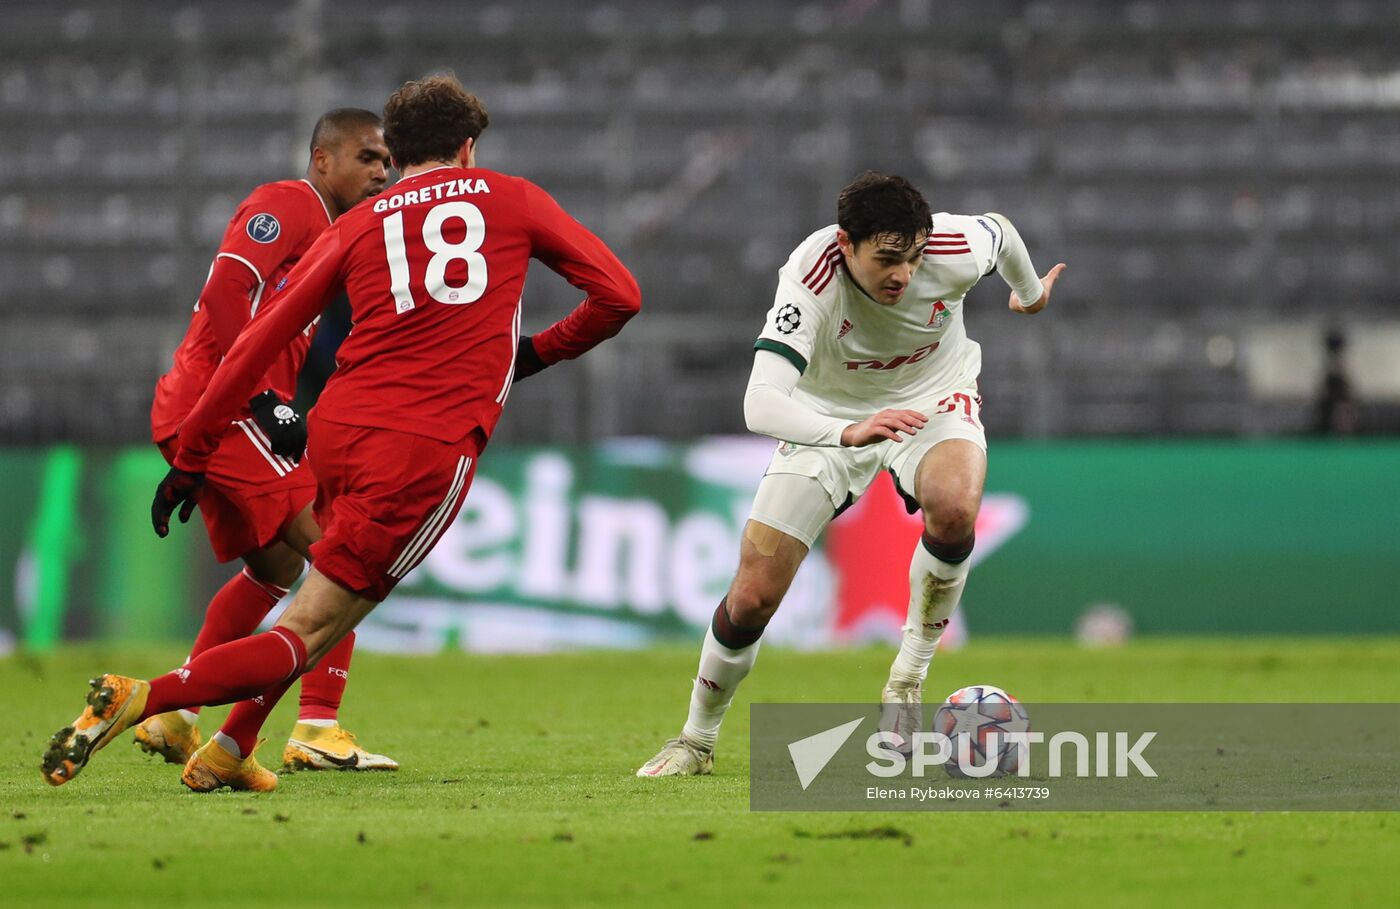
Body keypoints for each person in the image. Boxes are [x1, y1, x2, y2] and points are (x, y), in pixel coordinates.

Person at [41, 74, 641, 792]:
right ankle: (153, 698)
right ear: (469, 147)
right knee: (312, 624)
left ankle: (232, 745)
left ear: (400, 151)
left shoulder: (360, 222)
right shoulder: (511, 197)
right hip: (422, 445)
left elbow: (257, 340)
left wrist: (193, 450)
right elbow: (618, 295)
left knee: (291, 581)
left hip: (334, 427)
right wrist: (534, 354)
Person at [637, 171, 1065, 776]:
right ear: (846, 243)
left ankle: (906, 682)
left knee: (956, 506)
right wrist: (844, 432)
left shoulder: (952, 245)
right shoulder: (810, 277)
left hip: (933, 399)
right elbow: (760, 402)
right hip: (828, 418)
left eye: (914, 258)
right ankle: (696, 741)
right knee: (754, 595)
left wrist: (1030, 292)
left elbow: (1003, 234)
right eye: (888, 259)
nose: (905, 275)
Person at [140, 108, 400, 778]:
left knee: (275, 572)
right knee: (344, 559)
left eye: (386, 160)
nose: (381, 171)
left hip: (225, 412)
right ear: (322, 160)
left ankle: (176, 718)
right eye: (367, 157)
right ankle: (315, 724)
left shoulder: (337, 230)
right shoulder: (285, 203)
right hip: (221, 408)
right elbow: (231, 290)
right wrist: (260, 397)